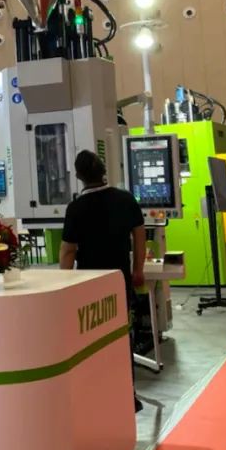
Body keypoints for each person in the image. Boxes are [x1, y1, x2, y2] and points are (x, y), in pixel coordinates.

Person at [59, 150, 146, 413]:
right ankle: (128, 394)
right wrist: (138, 270)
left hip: (89, 286)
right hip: (119, 281)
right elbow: (139, 236)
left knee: (93, 341)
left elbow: (68, 251)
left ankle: (97, 396)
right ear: (103, 170)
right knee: (122, 337)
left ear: (78, 176)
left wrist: (64, 283)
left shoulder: (76, 208)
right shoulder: (125, 199)